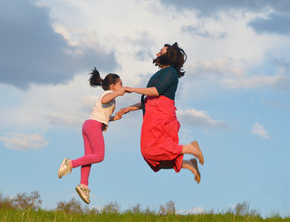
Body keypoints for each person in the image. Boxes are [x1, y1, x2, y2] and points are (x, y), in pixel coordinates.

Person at [117, 42, 204, 184]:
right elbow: (150, 98)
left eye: (160, 51)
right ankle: (188, 163)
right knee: (151, 155)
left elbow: (156, 91)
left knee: (151, 150)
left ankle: (189, 148)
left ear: (168, 55)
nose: (157, 53)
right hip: (152, 113)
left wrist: (132, 89)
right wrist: (128, 109)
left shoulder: (171, 72)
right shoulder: (160, 73)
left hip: (161, 114)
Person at [57, 67, 125, 204]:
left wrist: (113, 118)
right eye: (120, 84)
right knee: (99, 156)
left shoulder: (112, 97)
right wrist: (118, 93)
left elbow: (102, 114)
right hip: (93, 126)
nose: (122, 87)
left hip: (90, 125)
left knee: (89, 158)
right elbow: (105, 99)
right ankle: (70, 163)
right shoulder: (109, 93)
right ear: (113, 85)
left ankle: (83, 185)